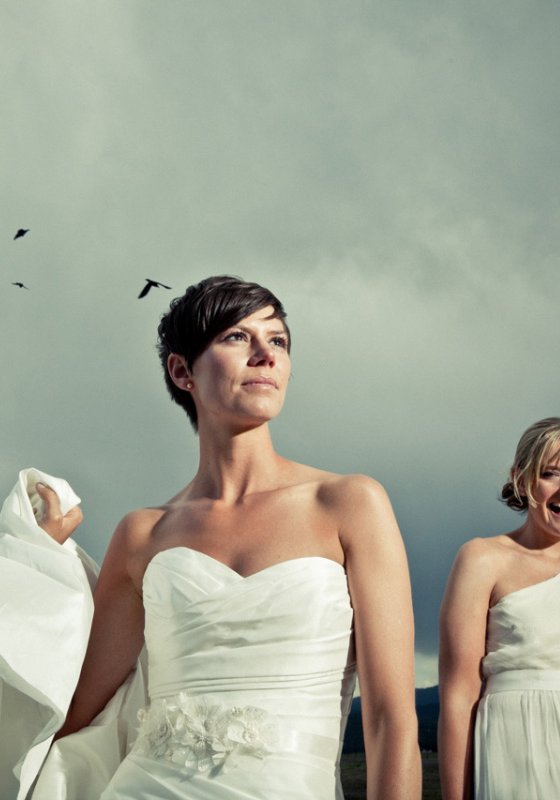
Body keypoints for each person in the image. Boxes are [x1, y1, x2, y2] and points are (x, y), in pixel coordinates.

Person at [25, 276, 420, 799]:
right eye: (237, 337)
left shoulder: (349, 504)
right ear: (182, 370)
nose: (265, 355)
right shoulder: (143, 533)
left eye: (277, 339)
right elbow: (73, 710)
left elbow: (392, 719)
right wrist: (32, 561)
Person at [438, 417, 560, 800]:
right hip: (511, 750)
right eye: (550, 473)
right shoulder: (481, 558)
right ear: (521, 478)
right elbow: (459, 695)